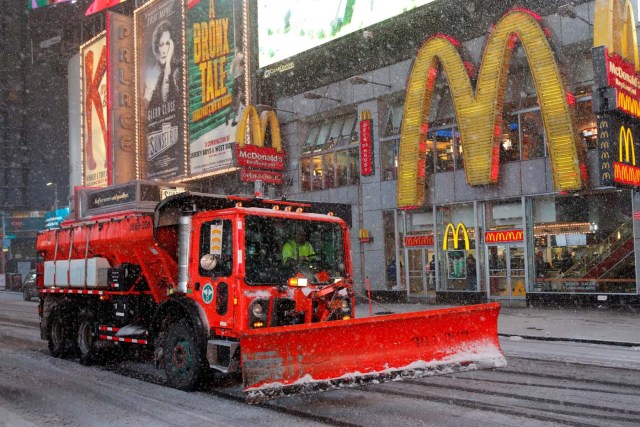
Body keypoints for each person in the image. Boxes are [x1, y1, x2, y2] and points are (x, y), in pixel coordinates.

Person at [144, 20, 180, 111]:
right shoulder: (151, 77)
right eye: (161, 44)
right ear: (157, 47)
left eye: (167, 44)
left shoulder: (178, 70)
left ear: (172, 45)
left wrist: (168, 62)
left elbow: (166, 99)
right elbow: (145, 110)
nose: (164, 50)